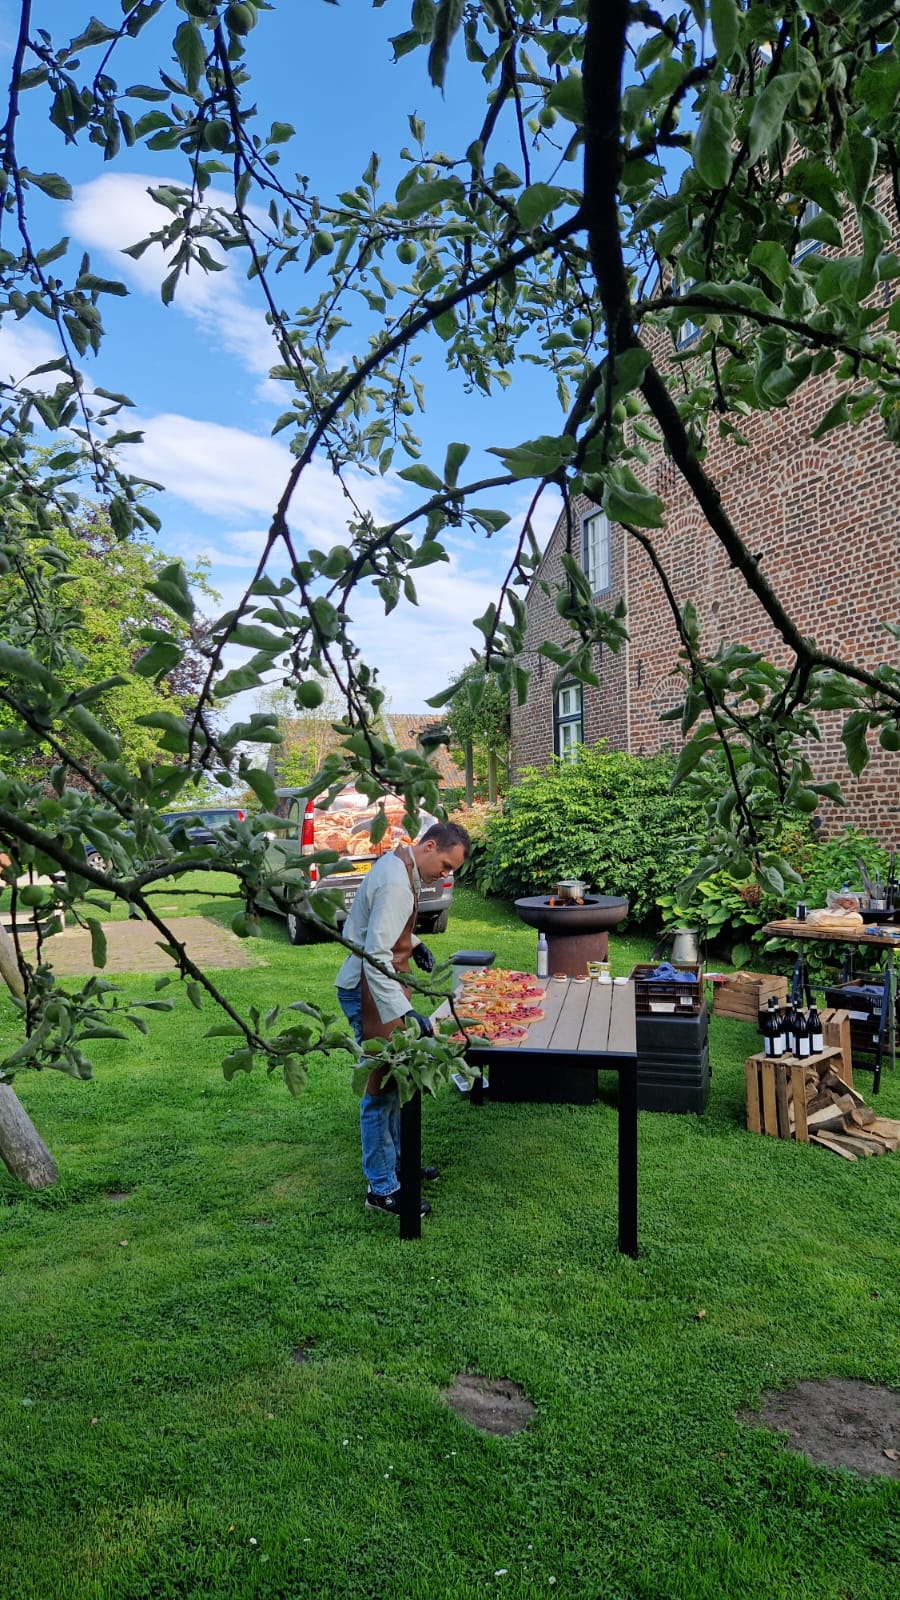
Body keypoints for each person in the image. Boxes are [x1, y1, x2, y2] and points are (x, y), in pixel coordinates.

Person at [334, 820, 470, 1216]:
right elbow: (376, 954)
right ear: (428, 846)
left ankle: (397, 1164)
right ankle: (381, 1187)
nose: (445, 875)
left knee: (396, 1080)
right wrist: (405, 1011)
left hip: (378, 987)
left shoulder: (400, 865)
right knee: (379, 1087)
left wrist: (417, 942)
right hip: (368, 989)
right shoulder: (396, 882)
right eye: (445, 865)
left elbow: (382, 928)